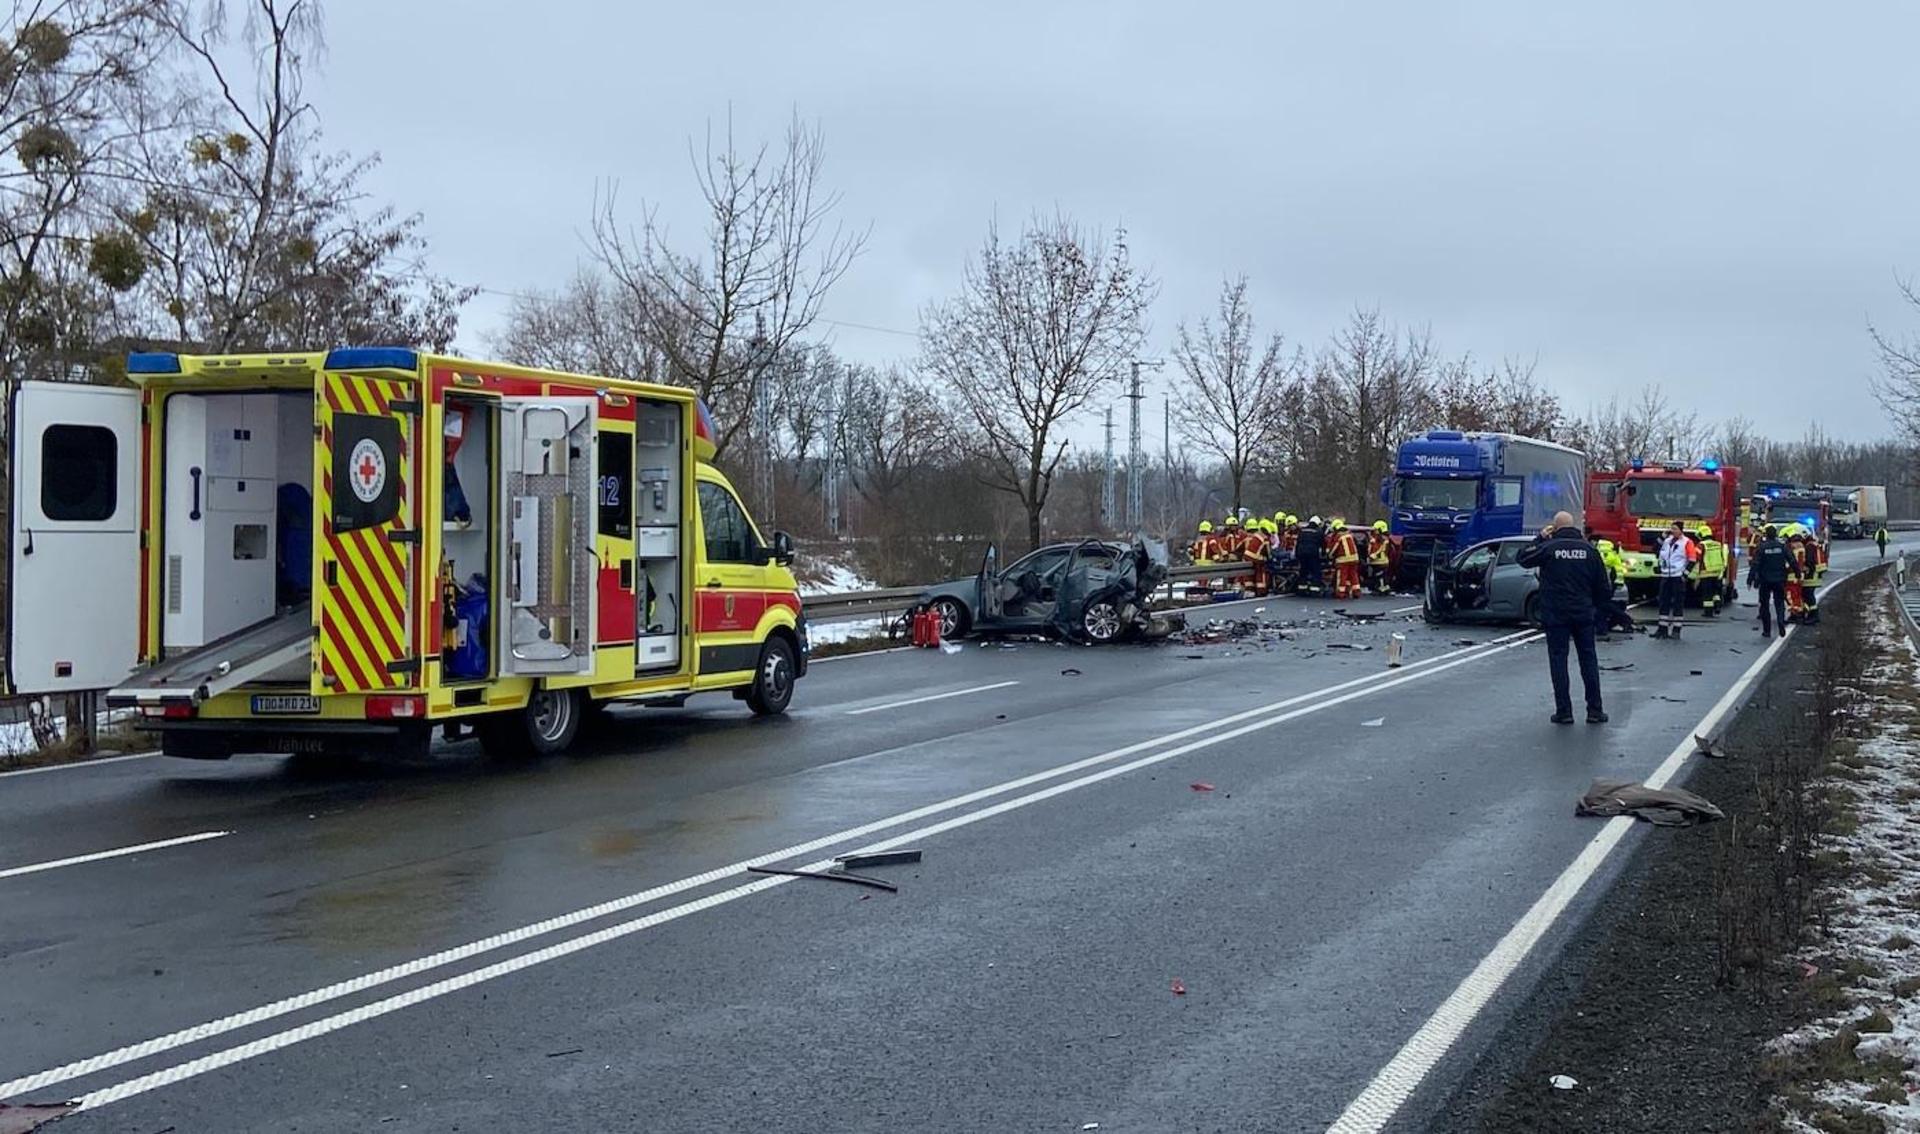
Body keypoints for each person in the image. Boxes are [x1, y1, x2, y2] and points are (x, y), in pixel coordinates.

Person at [1517, 511, 1612, 724]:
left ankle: (1564, 711)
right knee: (1588, 660)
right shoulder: (1589, 550)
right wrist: (1597, 611)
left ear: (1555, 528)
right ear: (1574, 527)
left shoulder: (1548, 548)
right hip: (1583, 613)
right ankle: (1595, 710)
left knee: (1559, 660)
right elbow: (1603, 586)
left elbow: (1522, 558)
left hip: (1556, 614)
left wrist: (1540, 537)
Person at [1747, 524, 1793, 638]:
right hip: (1779, 579)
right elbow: (1792, 560)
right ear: (1776, 535)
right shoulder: (1782, 546)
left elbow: (1755, 564)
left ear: (1766, 535)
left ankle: (1767, 631)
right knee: (1779, 603)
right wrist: (1797, 572)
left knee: (1765, 605)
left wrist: (1750, 579)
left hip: (1765, 580)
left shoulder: (1762, 548)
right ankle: (1781, 621)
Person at [1654, 521, 1691, 639]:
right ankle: (1662, 629)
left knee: (1677, 603)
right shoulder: (1667, 541)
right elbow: (1656, 550)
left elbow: (1693, 559)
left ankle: (1676, 630)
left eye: (1675, 529)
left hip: (1677, 576)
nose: (1673, 531)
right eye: (1672, 529)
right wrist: (1661, 537)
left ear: (1681, 530)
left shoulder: (1687, 542)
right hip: (1666, 576)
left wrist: (1684, 575)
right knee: (1663, 602)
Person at [1696, 523, 1727, 618]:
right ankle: (1717, 606)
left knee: (1707, 594)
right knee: (1716, 592)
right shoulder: (1717, 544)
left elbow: (1696, 557)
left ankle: (1708, 612)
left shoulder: (1701, 545)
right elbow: (1722, 556)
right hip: (1717, 571)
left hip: (1706, 572)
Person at [1330, 519, 1361, 599]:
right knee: (1353, 575)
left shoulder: (1338, 536)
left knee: (1342, 576)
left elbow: (1334, 548)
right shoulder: (1350, 535)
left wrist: (1329, 555)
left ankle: (1341, 593)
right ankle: (1356, 592)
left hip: (1343, 560)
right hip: (1354, 558)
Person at [1365, 520, 1392, 594]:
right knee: (1379, 576)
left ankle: (1382, 589)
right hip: (1378, 562)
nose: (1374, 531)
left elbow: (1381, 549)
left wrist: (1373, 556)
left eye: (1376, 530)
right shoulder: (1379, 539)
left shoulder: (1383, 540)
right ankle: (1383, 588)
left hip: (1380, 562)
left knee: (1380, 576)